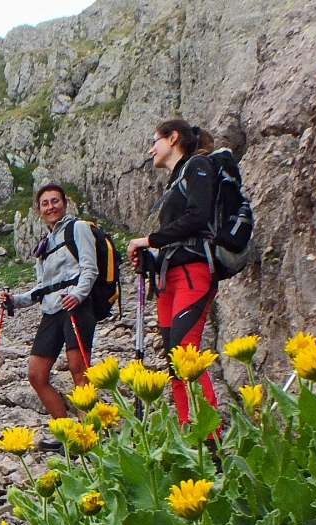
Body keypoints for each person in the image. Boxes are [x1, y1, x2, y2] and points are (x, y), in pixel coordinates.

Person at [127, 120, 220, 424]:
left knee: (185, 355)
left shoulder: (197, 166)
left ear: (173, 138)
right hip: (171, 277)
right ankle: (187, 428)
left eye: (155, 141)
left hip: (194, 273)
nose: (151, 149)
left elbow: (198, 216)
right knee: (174, 359)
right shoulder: (173, 181)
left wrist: (149, 240)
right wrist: (150, 260)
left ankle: (210, 441)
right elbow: (176, 239)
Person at [0, 183, 100, 420]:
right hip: (52, 310)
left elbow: (90, 269)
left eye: (55, 201)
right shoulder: (44, 243)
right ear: (39, 209)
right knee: (36, 375)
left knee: (79, 371)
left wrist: (78, 295)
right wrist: (15, 300)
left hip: (77, 306)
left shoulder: (79, 228)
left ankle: (90, 436)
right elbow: (42, 287)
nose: (51, 206)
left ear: (65, 203)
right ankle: (66, 431)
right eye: (45, 203)